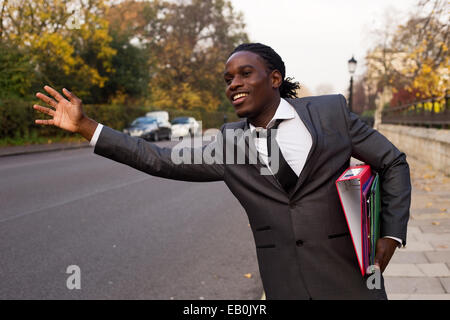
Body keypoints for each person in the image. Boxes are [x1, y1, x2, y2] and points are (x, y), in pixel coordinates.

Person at [33, 43, 411, 300]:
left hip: (353, 280)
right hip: (286, 287)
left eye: (245, 73)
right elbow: (159, 158)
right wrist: (87, 127)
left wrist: (390, 237)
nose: (234, 84)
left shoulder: (330, 113)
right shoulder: (231, 143)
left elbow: (392, 162)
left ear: (275, 78)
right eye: (229, 79)